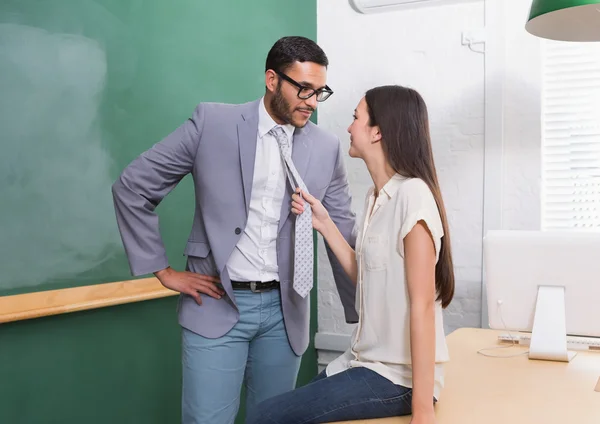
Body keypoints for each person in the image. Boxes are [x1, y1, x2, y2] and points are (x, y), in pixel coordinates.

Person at [111, 36, 358, 424]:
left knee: (275, 419)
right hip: (216, 303)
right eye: (303, 89)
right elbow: (133, 185)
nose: (311, 101)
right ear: (272, 80)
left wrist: (365, 309)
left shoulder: (326, 147)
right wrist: (162, 270)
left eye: (319, 91)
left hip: (285, 311)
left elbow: (342, 227)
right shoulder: (213, 123)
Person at [245, 85, 455, 424]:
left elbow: (423, 305)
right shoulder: (377, 197)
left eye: (356, 118)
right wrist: (325, 224)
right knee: (274, 411)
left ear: (378, 132)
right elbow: (368, 276)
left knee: (264, 417)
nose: (349, 127)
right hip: (359, 363)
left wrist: (422, 410)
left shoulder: (412, 196)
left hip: (396, 377)